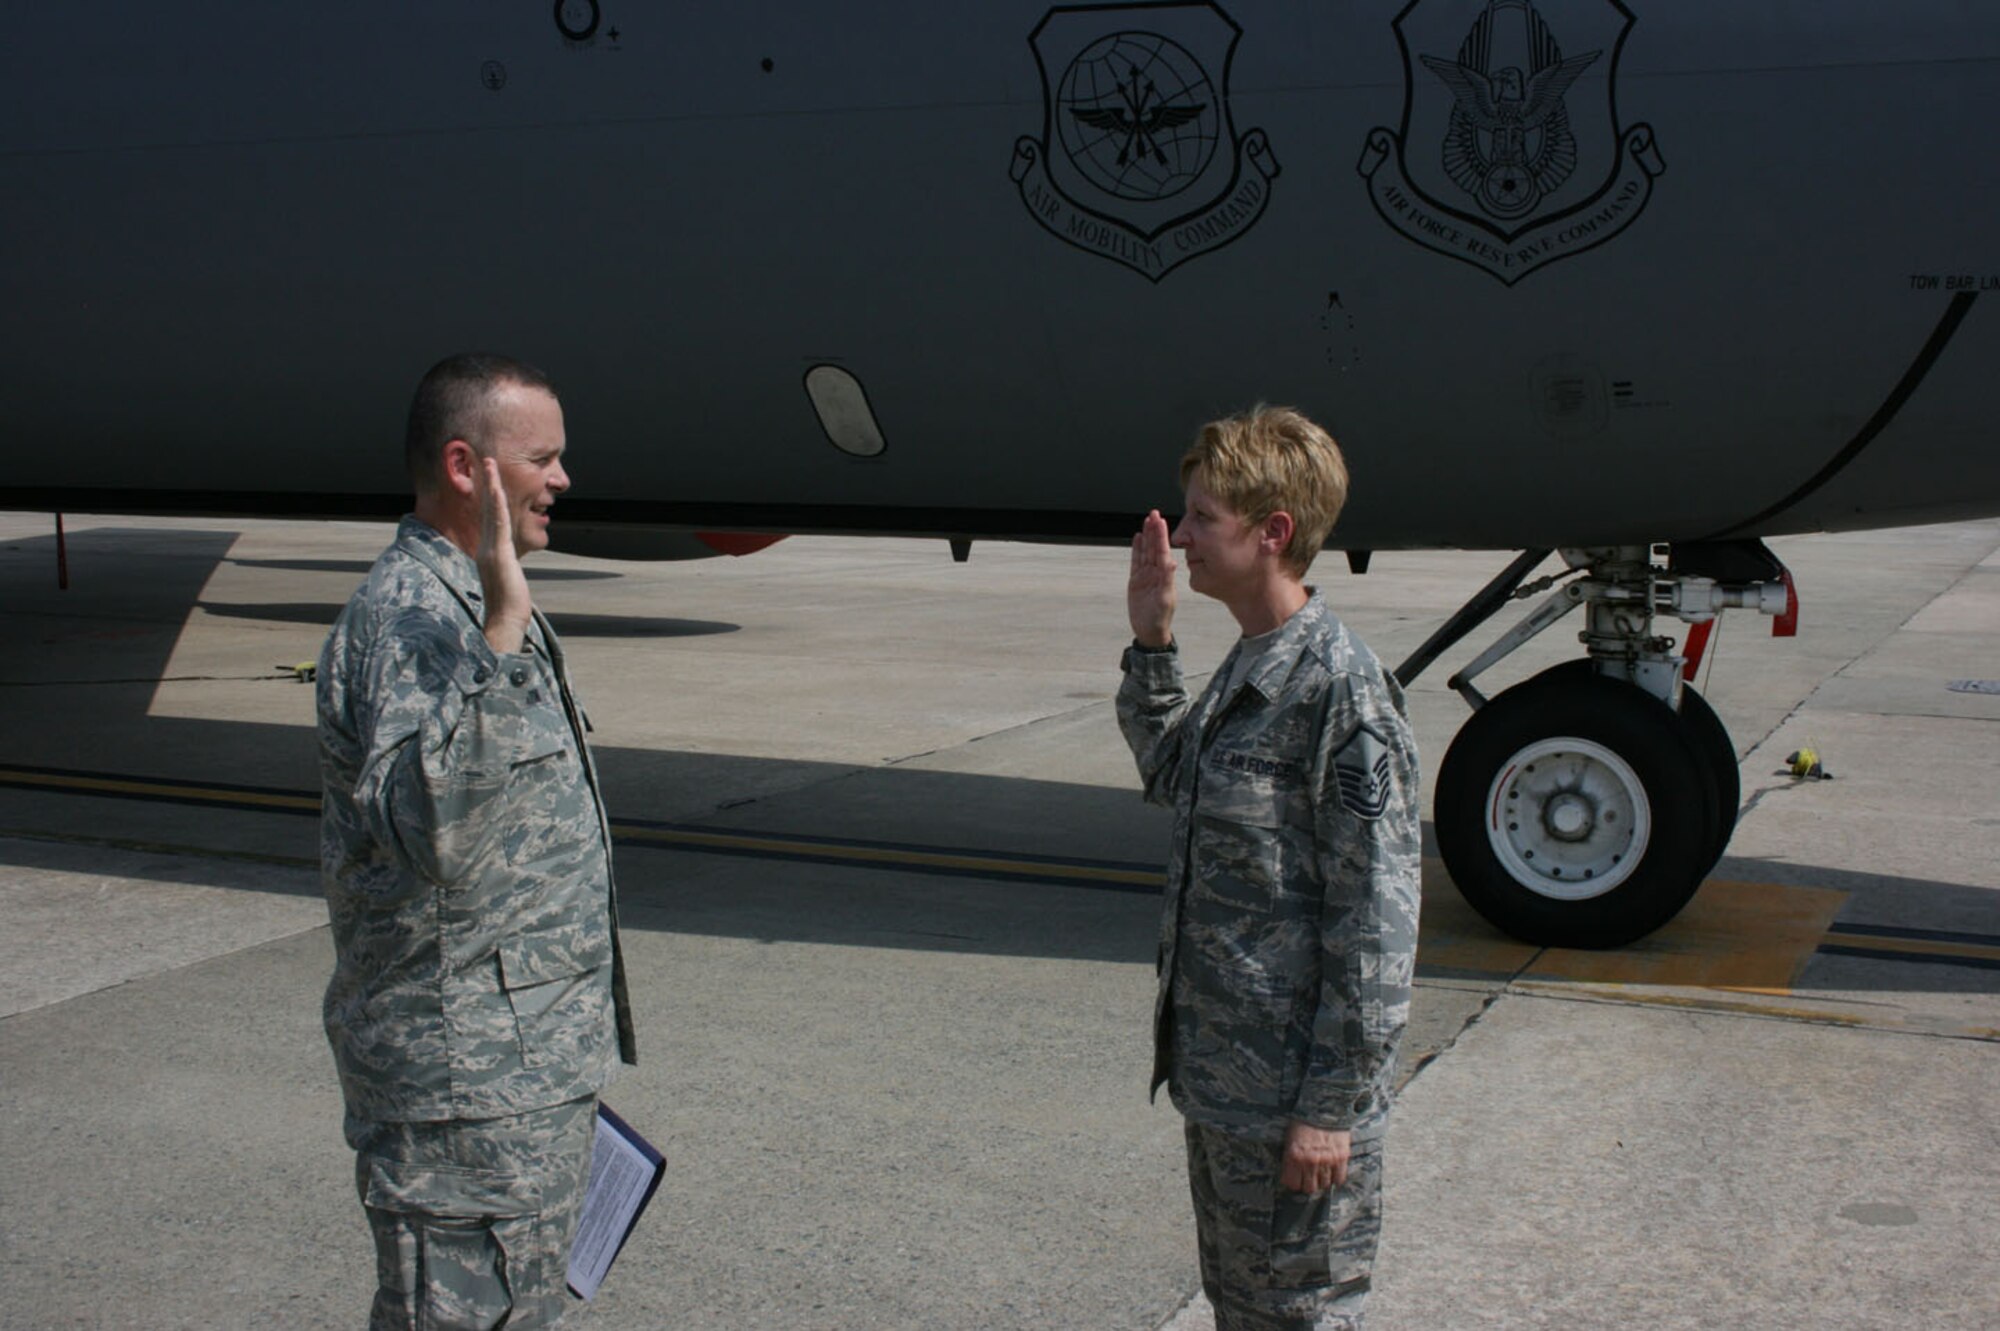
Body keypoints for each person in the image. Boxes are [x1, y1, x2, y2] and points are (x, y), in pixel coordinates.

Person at [317, 353, 638, 1329]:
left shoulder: (469, 597)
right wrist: (503, 621)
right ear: (467, 467)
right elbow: (434, 829)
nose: (562, 479)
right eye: (541, 458)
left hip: (517, 1086)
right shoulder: (411, 617)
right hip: (461, 1107)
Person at [1116, 406, 1421, 1330]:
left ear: (1273, 532)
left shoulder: (1339, 691)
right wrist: (1154, 640)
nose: (1183, 539)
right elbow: (1174, 771)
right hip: (1225, 1089)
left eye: (1204, 518)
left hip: (1295, 1105)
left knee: (1300, 1317)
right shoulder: (1252, 665)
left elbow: (1375, 917)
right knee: (1246, 1312)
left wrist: (1332, 1107)